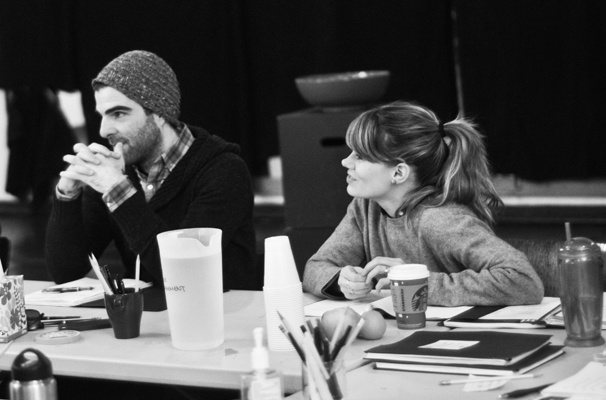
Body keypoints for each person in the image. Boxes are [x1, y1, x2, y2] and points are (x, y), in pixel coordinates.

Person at [45, 50, 257, 292]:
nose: (104, 130)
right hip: (145, 312)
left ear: (159, 114)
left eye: (118, 114)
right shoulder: (116, 173)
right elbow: (66, 272)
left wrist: (119, 191)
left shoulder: (224, 170)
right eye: (102, 116)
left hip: (221, 310)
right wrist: (67, 196)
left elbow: (183, 274)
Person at [302, 101, 543, 307]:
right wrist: (342, 281)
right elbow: (316, 267)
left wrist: (416, 282)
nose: (345, 162)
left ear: (398, 173)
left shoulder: (440, 219)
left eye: (360, 156)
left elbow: (524, 281)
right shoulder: (365, 209)